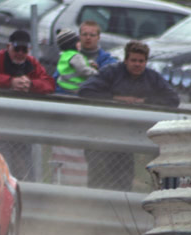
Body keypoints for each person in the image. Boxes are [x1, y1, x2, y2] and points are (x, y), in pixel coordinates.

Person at [79, 40, 179, 191]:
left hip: (130, 137)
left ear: (146, 62)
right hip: (103, 133)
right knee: (98, 176)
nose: (137, 64)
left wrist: (145, 102)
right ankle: (94, 207)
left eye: (141, 61)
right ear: (125, 60)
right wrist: (116, 100)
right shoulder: (111, 72)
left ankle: (121, 209)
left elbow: (173, 99)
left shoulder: (152, 77)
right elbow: (85, 91)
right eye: (133, 60)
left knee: (123, 179)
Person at [0, 29, 55, 94]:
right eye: (17, 49)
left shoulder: (33, 63)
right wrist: (10, 82)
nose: (20, 53)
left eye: (24, 50)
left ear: (30, 49)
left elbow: (49, 84)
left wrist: (31, 84)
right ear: (8, 47)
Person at [53, 20, 117, 93]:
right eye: (84, 34)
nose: (88, 38)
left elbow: (110, 82)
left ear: (98, 37)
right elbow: (56, 80)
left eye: (92, 35)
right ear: (79, 36)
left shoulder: (108, 60)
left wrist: (99, 70)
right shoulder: (69, 56)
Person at [54, 28, 98, 94]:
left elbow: (72, 66)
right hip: (75, 87)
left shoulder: (65, 55)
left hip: (63, 85)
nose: (80, 43)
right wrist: (96, 73)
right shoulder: (76, 56)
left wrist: (88, 63)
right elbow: (83, 70)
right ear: (72, 44)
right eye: (78, 42)